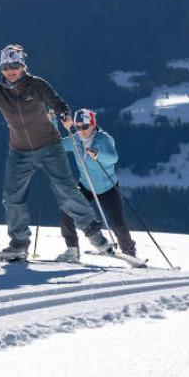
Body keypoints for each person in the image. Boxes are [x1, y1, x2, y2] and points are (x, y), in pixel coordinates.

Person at [0, 44, 115, 261]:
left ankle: (97, 238)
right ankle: (19, 245)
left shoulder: (37, 85)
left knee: (66, 191)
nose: (11, 70)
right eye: (6, 67)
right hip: (19, 153)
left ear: (23, 65)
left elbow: (58, 102)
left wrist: (64, 115)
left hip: (50, 147)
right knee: (12, 197)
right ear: (1, 69)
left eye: (15, 65)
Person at [56, 108, 138, 263]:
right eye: (78, 127)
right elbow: (56, 146)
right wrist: (52, 122)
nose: (81, 131)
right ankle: (72, 250)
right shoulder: (75, 141)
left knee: (118, 223)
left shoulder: (104, 139)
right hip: (86, 186)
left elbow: (113, 158)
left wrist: (98, 154)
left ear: (93, 125)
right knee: (67, 210)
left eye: (85, 127)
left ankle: (129, 251)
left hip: (108, 187)